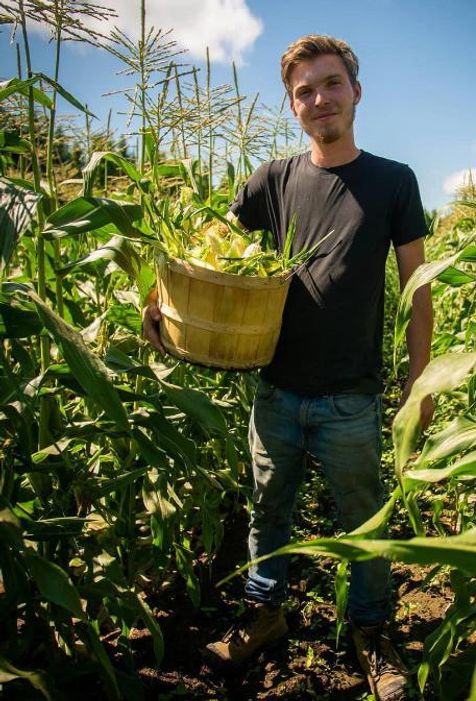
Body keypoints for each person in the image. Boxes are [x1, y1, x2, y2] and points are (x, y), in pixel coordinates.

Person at [142, 34, 433, 701]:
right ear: (292, 106)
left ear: (355, 91)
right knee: (267, 512)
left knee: (361, 519)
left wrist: (420, 382)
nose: (319, 99)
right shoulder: (271, 180)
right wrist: (155, 300)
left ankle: (369, 633)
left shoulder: (393, 181)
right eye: (305, 91)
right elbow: (201, 251)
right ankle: (263, 615)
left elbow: (420, 289)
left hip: (352, 396)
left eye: (331, 84)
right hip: (275, 389)